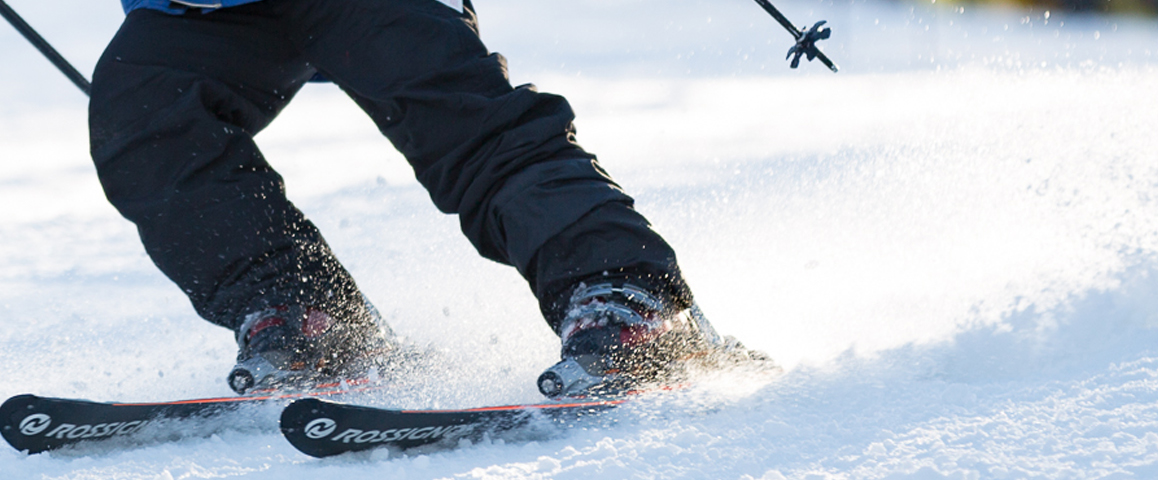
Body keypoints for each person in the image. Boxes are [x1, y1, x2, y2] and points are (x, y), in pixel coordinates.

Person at [88, 0, 772, 399]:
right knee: (146, 129)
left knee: (466, 129)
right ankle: (307, 318)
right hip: (195, 7)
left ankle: (625, 297)